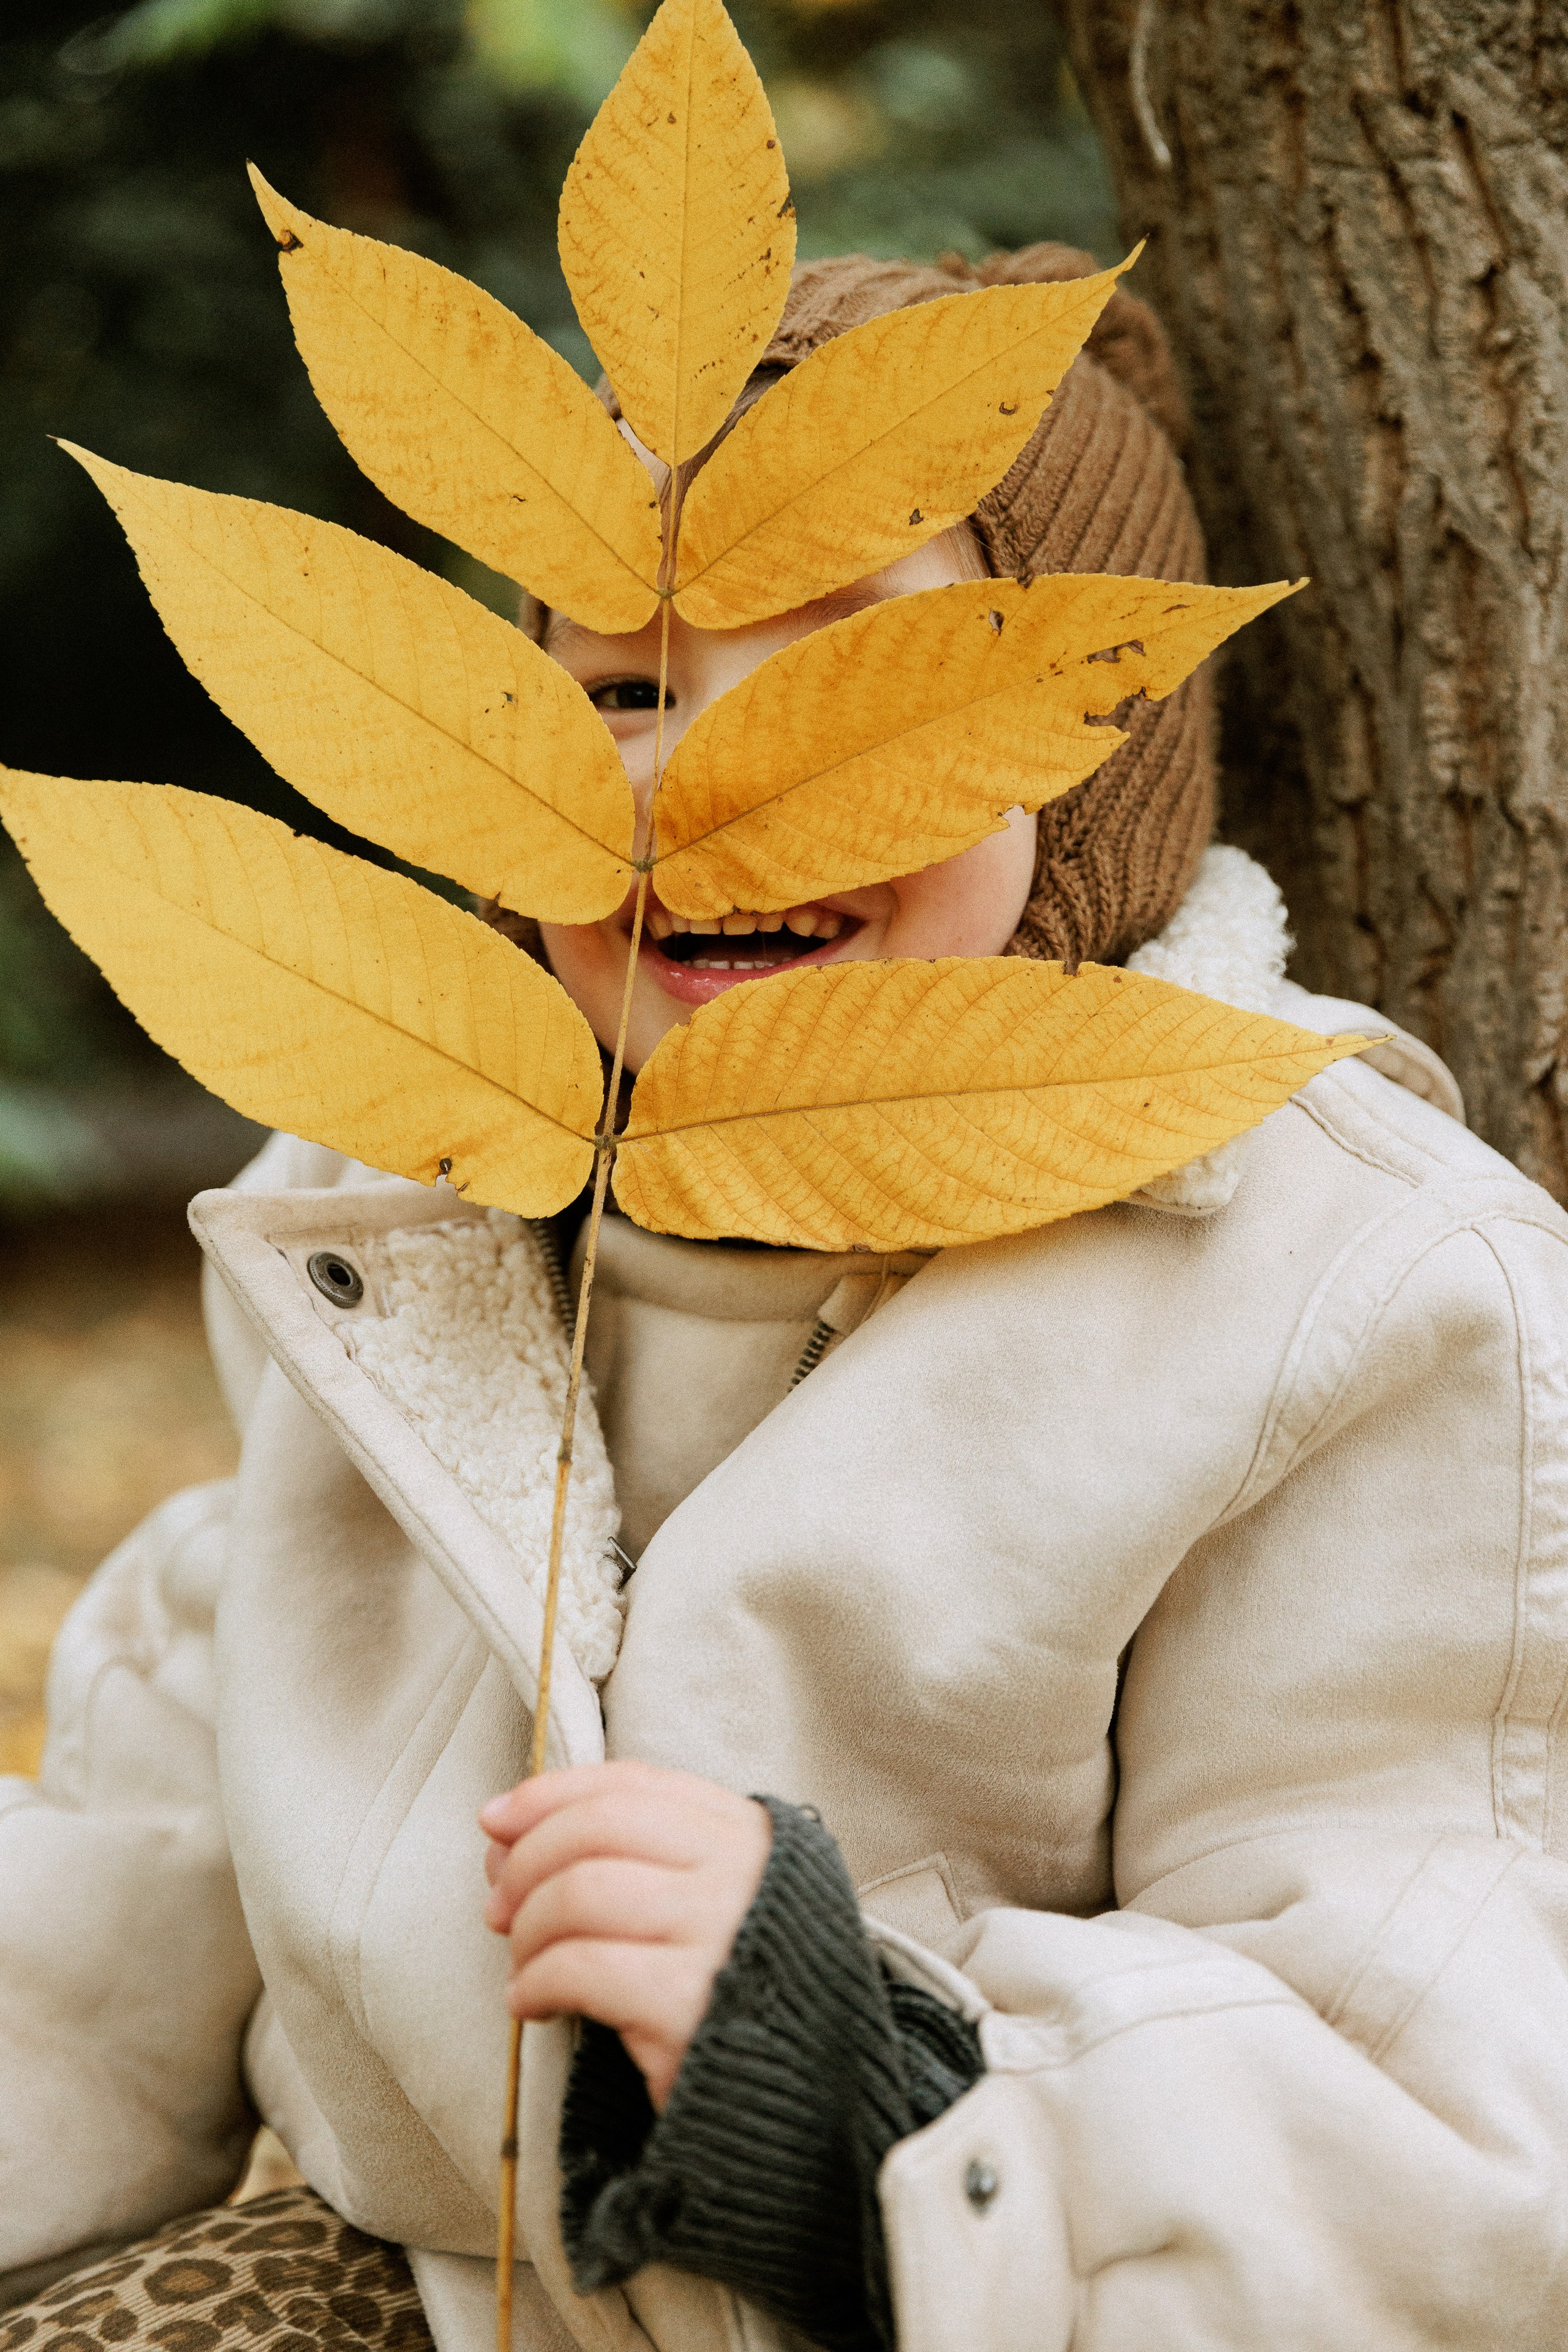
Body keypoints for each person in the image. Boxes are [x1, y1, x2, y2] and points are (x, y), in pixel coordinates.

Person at [6, 243, 1568, 2352]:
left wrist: (859, 2072)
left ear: (1095, 759)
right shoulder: (394, 1222)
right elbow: (147, 1864)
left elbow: (1444, 2090)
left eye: (857, 680)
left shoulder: (1336, 1291)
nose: (703, 787)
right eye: (623, 693)